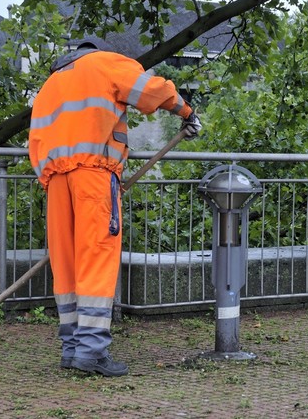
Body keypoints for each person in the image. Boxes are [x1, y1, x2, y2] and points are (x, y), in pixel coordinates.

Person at [28, 37, 202, 377]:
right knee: (96, 257)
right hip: (93, 175)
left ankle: (72, 348)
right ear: (96, 49)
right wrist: (186, 110)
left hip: (55, 179)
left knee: (67, 263)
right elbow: (150, 90)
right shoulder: (104, 63)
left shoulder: (51, 83)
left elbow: (35, 138)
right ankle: (91, 353)